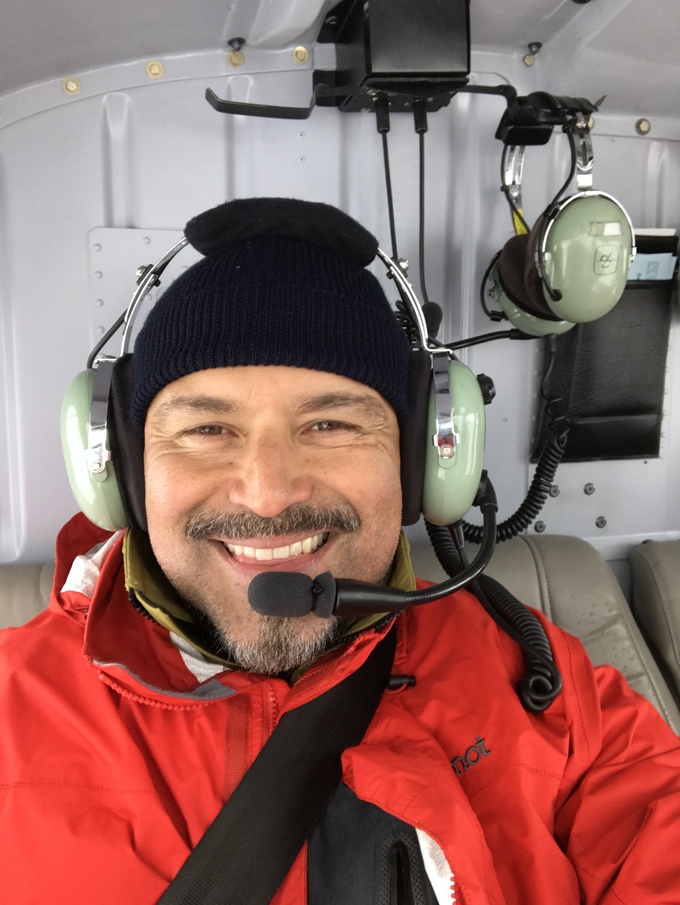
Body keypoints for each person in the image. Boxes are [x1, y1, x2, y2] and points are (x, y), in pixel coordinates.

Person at [1, 198, 679, 905]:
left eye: (329, 423)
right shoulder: (10, 710)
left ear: (421, 464)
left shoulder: (547, 692)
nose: (266, 493)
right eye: (207, 429)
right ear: (124, 471)